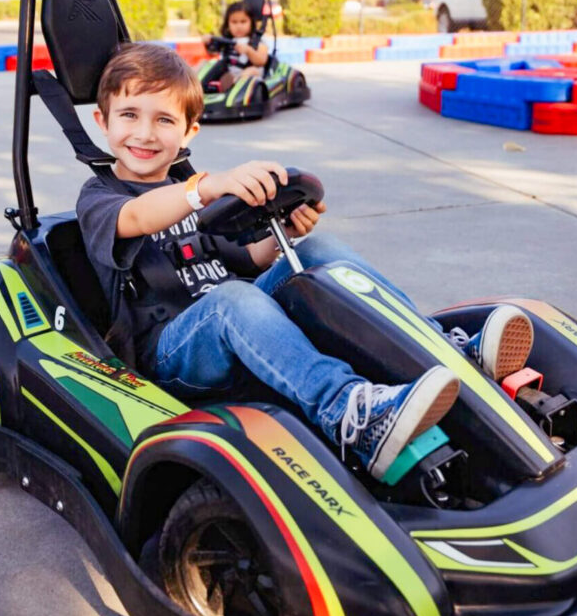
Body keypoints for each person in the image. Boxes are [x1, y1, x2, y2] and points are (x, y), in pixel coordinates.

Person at [77, 43, 534, 482]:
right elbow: (135, 217)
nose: (145, 133)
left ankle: (439, 347)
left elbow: (248, 260)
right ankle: (350, 414)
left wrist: (287, 232)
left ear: (189, 131)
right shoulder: (101, 198)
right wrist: (205, 187)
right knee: (228, 299)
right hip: (170, 354)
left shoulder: (193, 187)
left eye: (163, 120)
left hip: (230, 313)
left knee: (318, 253)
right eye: (130, 116)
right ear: (103, 121)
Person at [201, 0, 269, 89]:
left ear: (251, 23)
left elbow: (261, 61)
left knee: (251, 71)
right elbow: (212, 53)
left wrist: (249, 51)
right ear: (228, 24)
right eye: (234, 22)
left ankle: (237, 87)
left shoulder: (257, 42)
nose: (238, 26)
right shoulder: (227, 40)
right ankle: (196, 86)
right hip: (231, 74)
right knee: (205, 64)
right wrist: (208, 42)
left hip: (252, 77)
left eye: (243, 22)